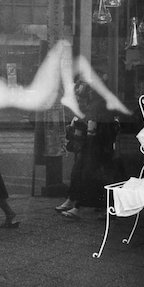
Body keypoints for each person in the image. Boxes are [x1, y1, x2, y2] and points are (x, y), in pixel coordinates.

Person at [0, 40, 132, 119]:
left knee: (77, 62)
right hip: (35, 97)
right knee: (63, 45)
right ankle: (70, 96)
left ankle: (109, 98)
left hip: (35, 94)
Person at [60, 89, 124, 220]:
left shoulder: (97, 107)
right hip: (96, 145)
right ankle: (79, 203)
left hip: (98, 146)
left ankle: (79, 206)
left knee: (88, 174)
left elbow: (94, 128)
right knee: (83, 172)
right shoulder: (94, 106)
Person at [55, 81, 91, 213]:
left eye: (80, 95)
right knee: (77, 173)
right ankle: (72, 201)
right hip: (80, 146)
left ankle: (75, 203)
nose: (78, 98)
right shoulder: (78, 111)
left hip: (87, 147)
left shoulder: (88, 111)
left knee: (80, 174)